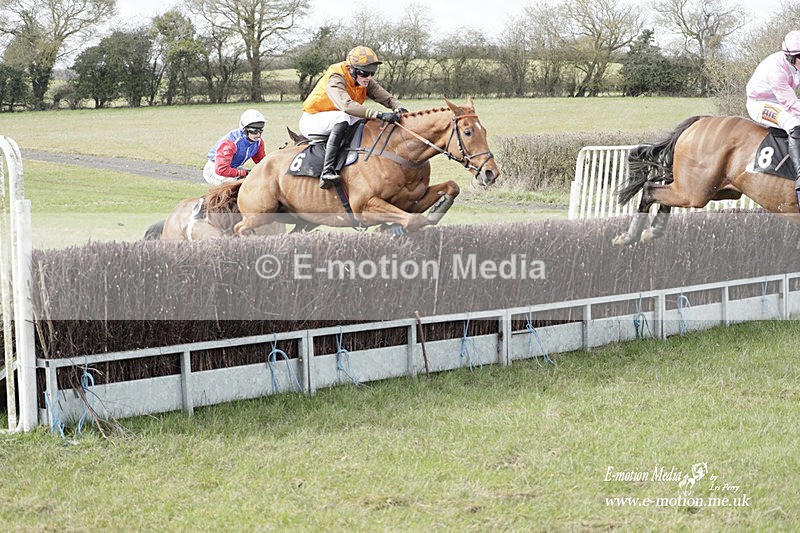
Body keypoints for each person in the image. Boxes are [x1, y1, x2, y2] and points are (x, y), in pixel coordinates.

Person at [300, 45, 408, 189]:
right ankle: (327, 172)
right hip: (313, 119)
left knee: (367, 122)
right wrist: (379, 114)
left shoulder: (362, 79)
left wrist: (398, 107)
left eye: (372, 73)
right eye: (364, 73)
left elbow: (382, 95)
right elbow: (346, 106)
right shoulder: (336, 77)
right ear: (352, 69)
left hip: (337, 117)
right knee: (343, 117)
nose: (368, 77)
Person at [746, 31, 800, 203]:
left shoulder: (795, 63)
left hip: (781, 99)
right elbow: (790, 104)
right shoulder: (776, 70)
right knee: (794, 122)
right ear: (790, 57)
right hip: (760, 103)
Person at [204, 109, 267, 186]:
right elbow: (221, 170)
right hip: (215, 170)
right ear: (245, 130)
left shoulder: (258, 142)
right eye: (254, 131)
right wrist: (243, 172)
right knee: (237, 186)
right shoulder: (230, 143)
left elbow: (262, 162)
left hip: (232, 168)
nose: (258, 135)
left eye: (260, 131)